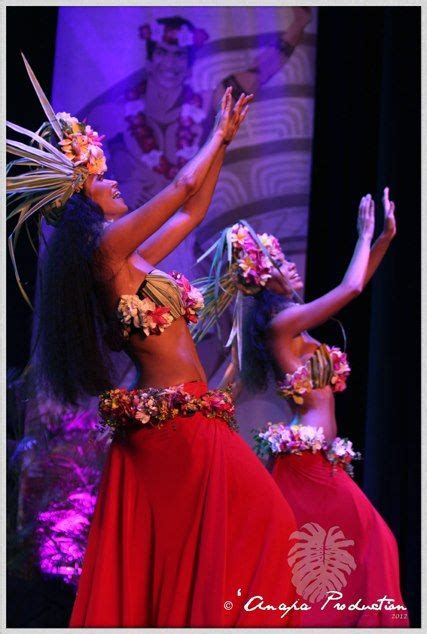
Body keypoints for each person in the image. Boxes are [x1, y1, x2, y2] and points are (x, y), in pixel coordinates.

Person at [7, 56, 300, 628]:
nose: (114, 181)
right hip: (176, 424)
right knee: (265, 525)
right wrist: (215, 135)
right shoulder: (107, 253)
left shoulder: (126, 257)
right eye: (103, 177)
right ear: (82, 192)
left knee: (213, 542)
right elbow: (182, 184)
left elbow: (193, 210)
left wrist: (225, 142)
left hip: (183, 421)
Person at [192, 193, 408, 627]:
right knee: (365, 545)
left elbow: (357, 283)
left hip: (319, 462)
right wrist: (364, 234)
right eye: (281, 264)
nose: (292, 267)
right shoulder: (280, 326)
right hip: (305, 464)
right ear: (263, 278)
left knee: (332, 561)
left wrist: (383, 239)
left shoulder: (293, 324)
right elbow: (351, 288)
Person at [90, 9, 313, 207]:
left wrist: (297, 25)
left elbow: (258, 73)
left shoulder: (208, 104)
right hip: (124, 228)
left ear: (189, 65)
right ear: (149, 60)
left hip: (180, 234)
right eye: (162, 52)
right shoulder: (111, 113)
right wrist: (115, 191)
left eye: (179, 55)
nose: (170, 62)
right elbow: (78, 171)